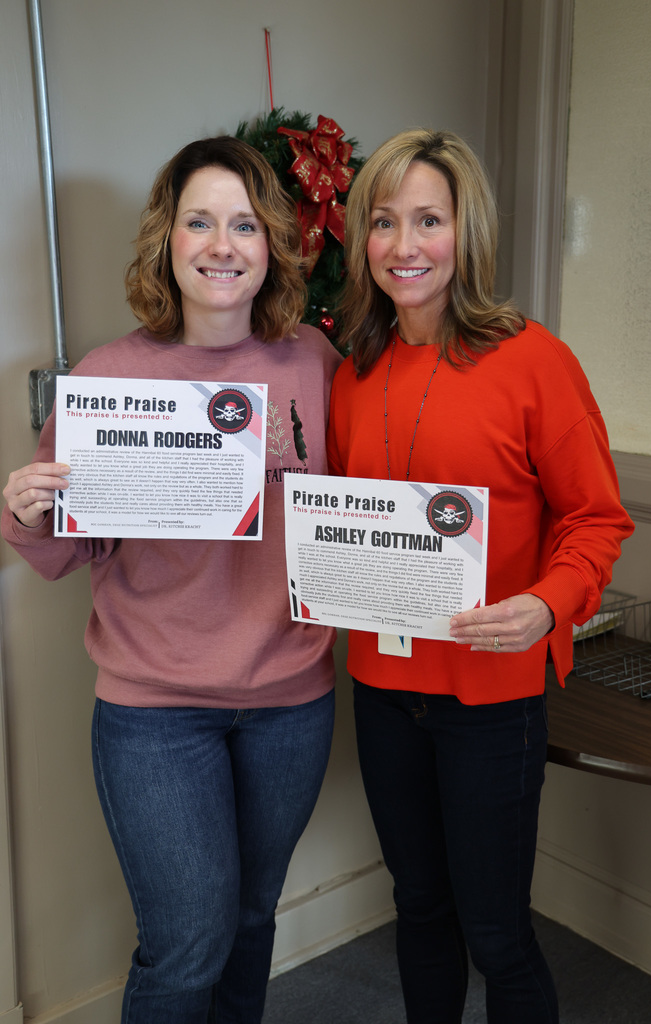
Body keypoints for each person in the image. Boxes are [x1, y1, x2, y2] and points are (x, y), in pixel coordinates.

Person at [2, 135, 342, 1024]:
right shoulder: (111, 376)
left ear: (271, 245)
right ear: (167, 240)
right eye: (200, 221)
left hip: (290, 702)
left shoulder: (313, 362)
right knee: (187, 944)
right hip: (155, 711)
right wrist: (27, 509)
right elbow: (69, 547)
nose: (221, 245)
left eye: (244, 224)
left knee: (250, 919)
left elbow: (356, 506)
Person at [326, 128, 634, 1024]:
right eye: (384, 222)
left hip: (492, 700)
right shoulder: (353, 370)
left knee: (496, 934)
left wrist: (548, 604)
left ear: (468, 231)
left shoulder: (535, 360)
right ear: (362, 239)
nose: (405, 246)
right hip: (382, 688)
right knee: (418, 908)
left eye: (429, 219)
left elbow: (595, 517)